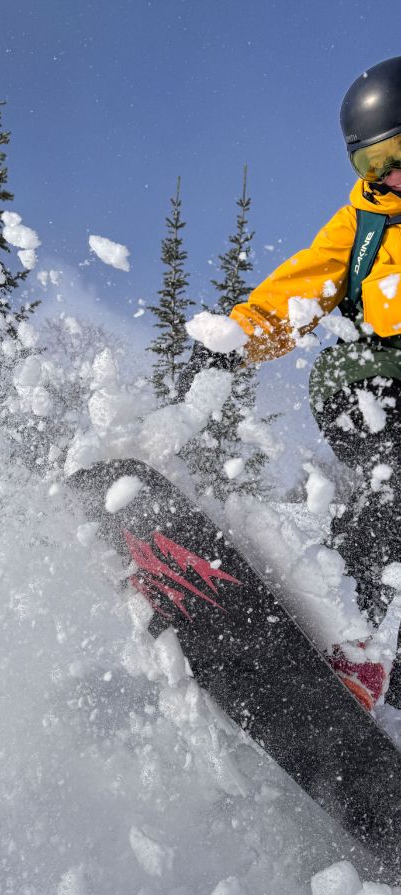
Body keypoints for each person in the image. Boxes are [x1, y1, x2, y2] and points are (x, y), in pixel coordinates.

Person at [205, 57, 401, 711]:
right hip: (369, 388)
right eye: (374, 164)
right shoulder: (361, 226)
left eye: (400, 153)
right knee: (393, 488)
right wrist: (228, 344)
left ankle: (385, 684)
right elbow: (297, 289)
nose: (390, 175)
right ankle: (350, 639)